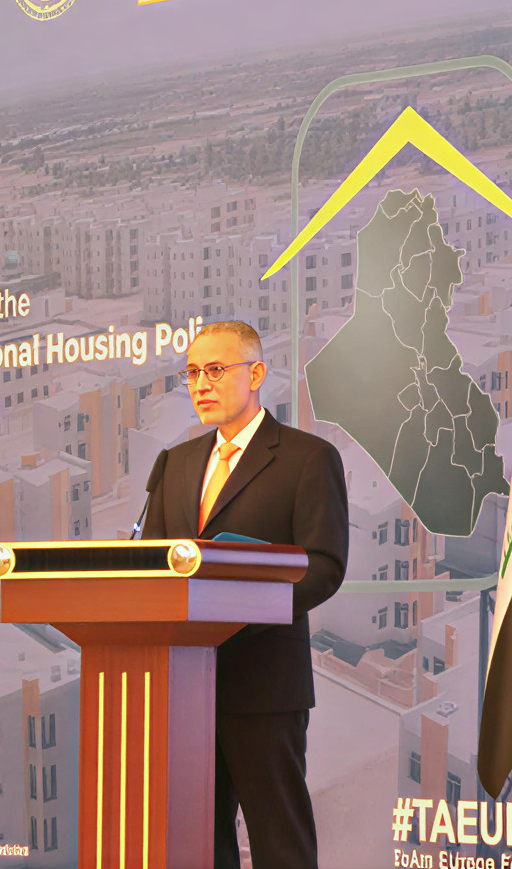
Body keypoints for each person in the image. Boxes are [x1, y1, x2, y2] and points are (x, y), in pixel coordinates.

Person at [141, 320, 348, 869]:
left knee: (280, 844)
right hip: (187, 687)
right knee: (199, 846)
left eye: (215, 370)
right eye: (191, 373)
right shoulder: (175, 463)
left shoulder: (307, 457)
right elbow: (156, 566)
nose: (200, 384)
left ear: (256, 373)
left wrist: (236, 615)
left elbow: (324, 567)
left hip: (264, 685)